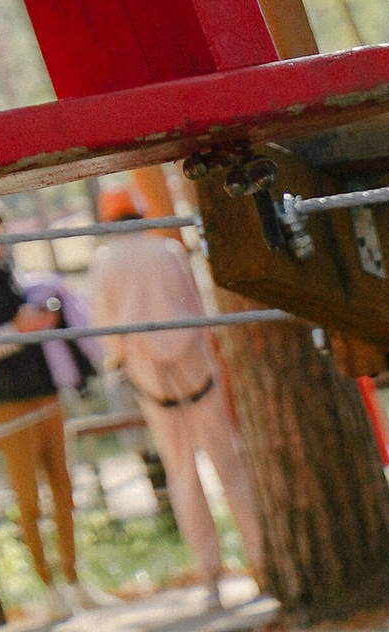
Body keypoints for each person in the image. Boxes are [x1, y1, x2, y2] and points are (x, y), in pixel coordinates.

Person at [91, 181, 264, 602]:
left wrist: (121, 361)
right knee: (230, 463)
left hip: (148, 373)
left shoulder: (104, 263)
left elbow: (108, 333)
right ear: (140, 213)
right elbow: (197, 308)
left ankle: (210, 573)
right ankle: (261, 560)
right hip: (195, 363)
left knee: (182, 471)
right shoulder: (167, 251)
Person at [0, 204, 90, 615]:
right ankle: (48, 588)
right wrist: (18, 330)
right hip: (8, 404)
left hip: (46, 393)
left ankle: (74, 579)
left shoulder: (13, 271)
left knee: (63, 487)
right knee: (28, 498)